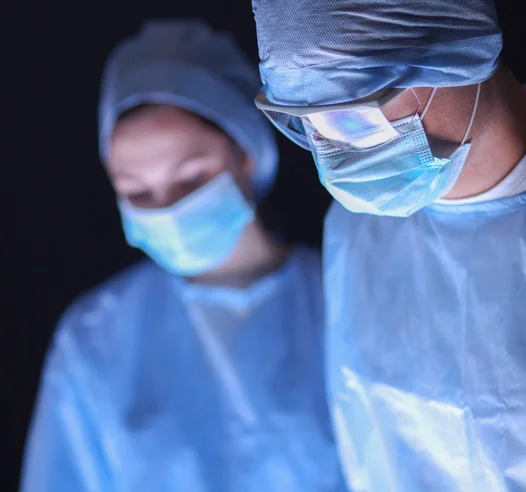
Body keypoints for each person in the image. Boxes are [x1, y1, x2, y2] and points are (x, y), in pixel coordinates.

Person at [251, 0, 526, 490]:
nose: (336, 155)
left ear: (461, 54)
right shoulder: (359, 232)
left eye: (354, 114)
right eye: (308, 121)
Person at [21, 20, 345, 492]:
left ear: (246, 157)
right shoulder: (97, 336)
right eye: (137, 191)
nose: (168, 209)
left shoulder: (344, 302)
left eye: (189, 180)